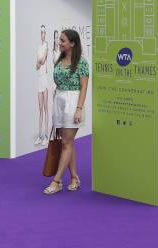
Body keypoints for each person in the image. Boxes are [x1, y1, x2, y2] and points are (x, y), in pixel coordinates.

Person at [43, 29, 89, 195]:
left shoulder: (82, 62)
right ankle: (75, 177)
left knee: (66, 143)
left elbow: (84, 87)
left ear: (72, 43)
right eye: (60, 40)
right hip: (59, 100)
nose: (59, 43)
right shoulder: (59, 59)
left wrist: (79, 109)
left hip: (73, 101)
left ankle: (56, 181)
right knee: (67, 142)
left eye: (63, 40)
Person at [35, 25, 49, 146]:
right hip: (39, 79)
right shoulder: (39, 47)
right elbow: (36, 66)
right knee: (40, 109)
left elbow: (43, 61)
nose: (42, 34)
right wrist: (39, 60)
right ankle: (39, 136)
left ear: (46, 34)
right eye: (41, 32)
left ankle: (46, 136)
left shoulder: (46, 46)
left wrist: (40, 60)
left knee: (45, 108)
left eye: (44, 32)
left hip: (45, 78)